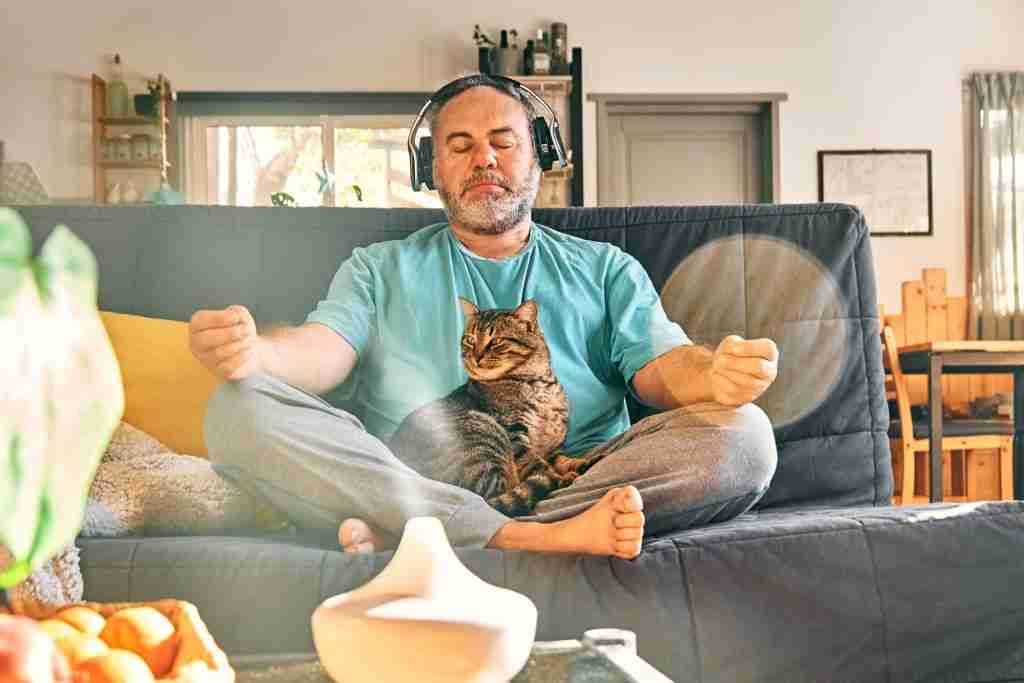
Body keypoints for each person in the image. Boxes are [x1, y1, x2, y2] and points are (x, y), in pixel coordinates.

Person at [189, 74, 779, 560]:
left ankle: (418, 532)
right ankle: (521, 536)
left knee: (746, 436)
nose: (484, 159)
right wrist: (260, 354)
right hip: (412, 475)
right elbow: (325, 347)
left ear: (539, 157)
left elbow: (660, 370)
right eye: (460, 145)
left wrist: (713, 374)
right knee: (237, 409)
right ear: (433, 170)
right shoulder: (377, 268)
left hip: (572, 479)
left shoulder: (605, 269)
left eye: (504, 141)